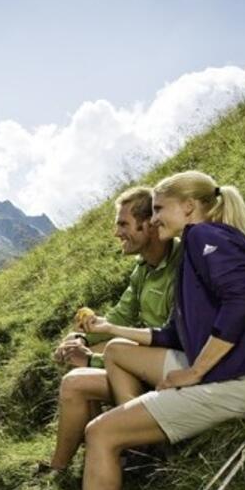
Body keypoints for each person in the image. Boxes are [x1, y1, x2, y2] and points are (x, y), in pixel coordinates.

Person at [78, 170, 245, 490]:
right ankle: (142, 443)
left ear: (189, 207)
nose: (154, 216)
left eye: (160, 207)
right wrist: (110, 331)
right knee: (117, 352)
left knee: (100, 432)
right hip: (235, 369)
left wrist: (194, 373)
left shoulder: (203, 236)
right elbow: (176, 334)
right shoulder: (202, 242)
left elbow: (240, 299)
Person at [40, 186, 182, 473]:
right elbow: (119, 315)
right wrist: (80, 337)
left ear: (148, 226)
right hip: (144, 362)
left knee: (76, 380)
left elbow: (170, 337)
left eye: (123, 224)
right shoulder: (143, 270)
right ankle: (75, 465)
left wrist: (91, 359)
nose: (117, 233)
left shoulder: (182, 264)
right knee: (78, 371)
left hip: (170, 369)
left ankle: (136, 450)